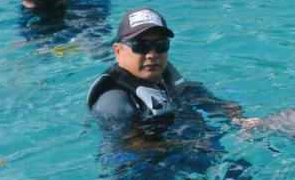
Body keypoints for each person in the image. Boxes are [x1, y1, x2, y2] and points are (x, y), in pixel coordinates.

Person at [87, 9, 238, 142]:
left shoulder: (172, 84)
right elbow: (127, 150)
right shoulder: (115, 103)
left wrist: (241, 121)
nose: (152, 55)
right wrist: (188, 147)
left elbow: (219, 106)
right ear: (118, 51)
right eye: (140, 46)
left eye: (160, 45)